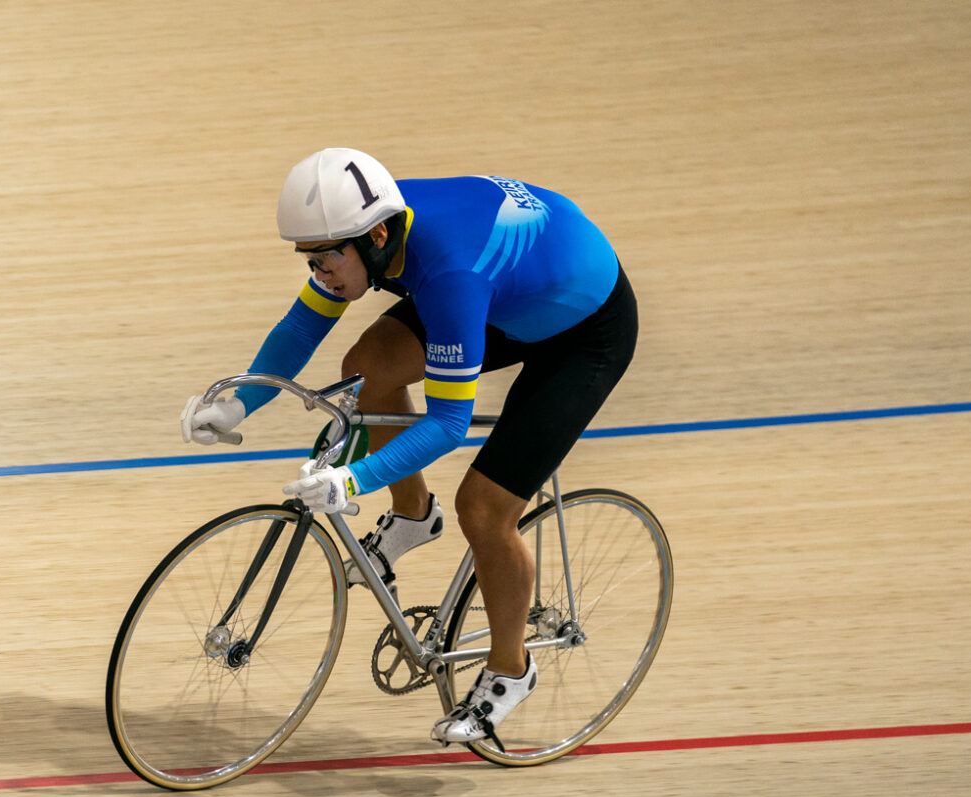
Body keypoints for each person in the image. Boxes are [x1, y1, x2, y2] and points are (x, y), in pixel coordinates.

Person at [181, 148, 637, 748]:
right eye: (309, 260)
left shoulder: (447, 272)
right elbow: (302, 326)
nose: (319, 273)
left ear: (374, 237)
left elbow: (450, 424)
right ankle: (415, 515)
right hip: (506, 295)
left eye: (325, 260)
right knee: (368, 369)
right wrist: (237, 402)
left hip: (584, 333)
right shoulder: (368, 226)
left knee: (485, 508)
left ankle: (510, 669)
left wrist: (353, 481)